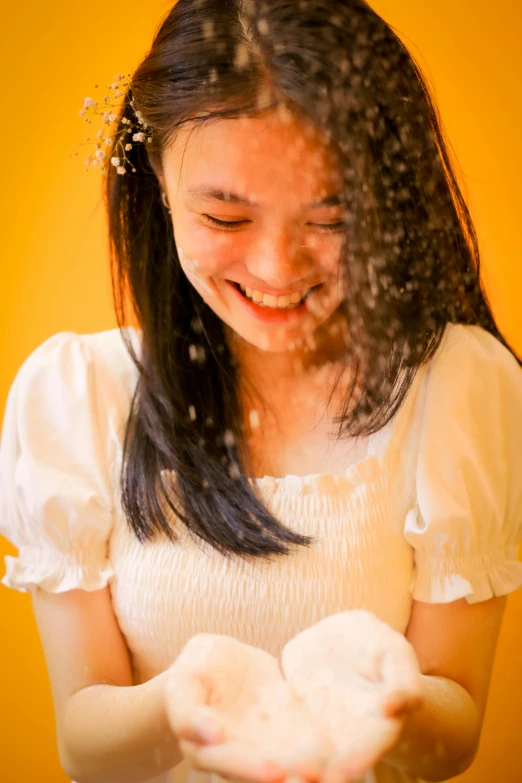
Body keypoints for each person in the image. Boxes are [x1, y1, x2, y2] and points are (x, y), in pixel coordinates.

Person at [1, 1, 521, 782]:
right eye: (226, 215)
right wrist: (179, 705)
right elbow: (83, 742)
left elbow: (459, 723)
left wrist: (398, 709)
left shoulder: (459, 389)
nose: (278, 269)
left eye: (331, 217)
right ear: (159, 186)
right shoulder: (79, 399)